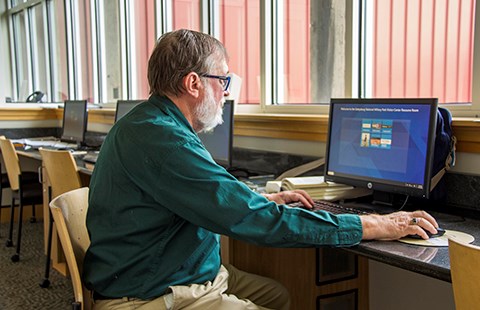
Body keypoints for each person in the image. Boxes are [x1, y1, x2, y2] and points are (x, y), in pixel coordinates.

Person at [83, 29, 439, 310]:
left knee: (278, 296)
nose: (225, 93)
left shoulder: (149, 123)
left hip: (164, 268)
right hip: (152, 291)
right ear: (193, 84)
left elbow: (209, 195)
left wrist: (261, 196)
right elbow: (254, 221)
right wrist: (374, 223)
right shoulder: (166, 141)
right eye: (221, 81)